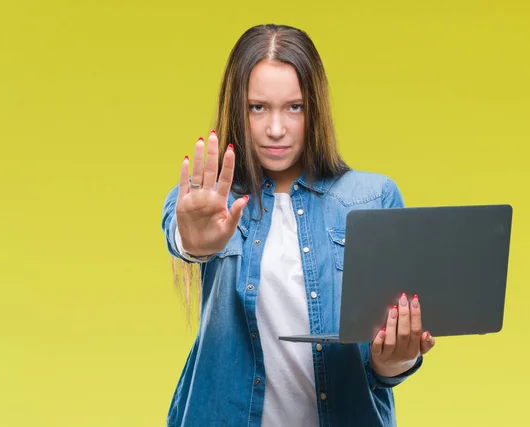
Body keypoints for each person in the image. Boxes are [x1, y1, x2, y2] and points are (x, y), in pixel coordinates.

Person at [161, 24, 436, 427]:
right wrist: (194, 242)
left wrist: (396, 359)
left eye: (294, 107)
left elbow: (385, 367)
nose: (276, 129)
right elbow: (179, 231)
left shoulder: (373, 197)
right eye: (258, 107)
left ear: (316, 109)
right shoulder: (208, 198)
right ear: (238, 108)